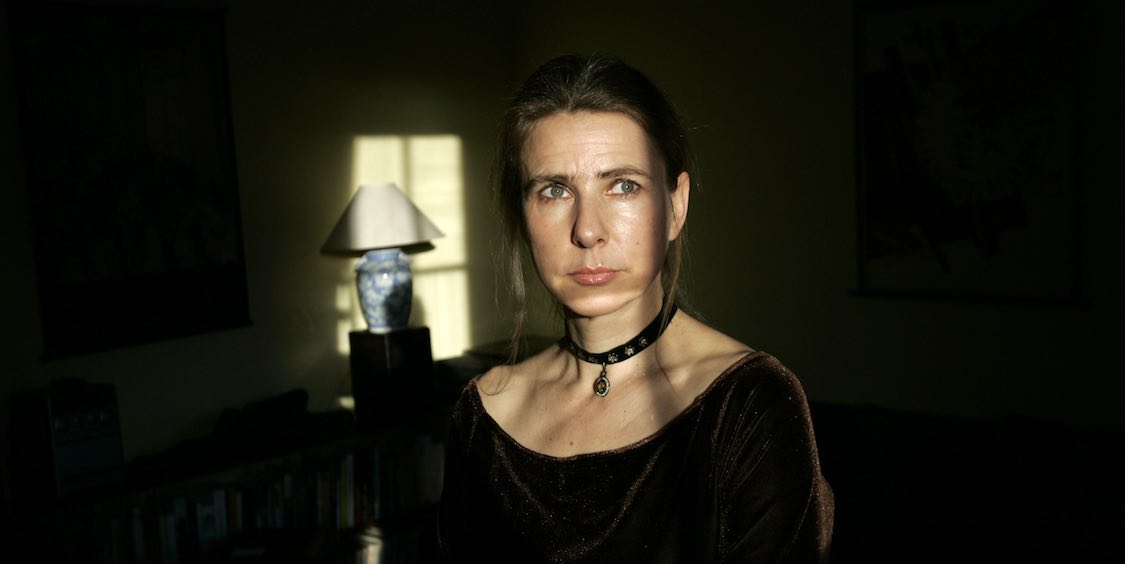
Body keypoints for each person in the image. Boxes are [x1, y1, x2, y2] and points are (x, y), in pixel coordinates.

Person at [437, 53, 833, 562]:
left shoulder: (749, 405)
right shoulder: (484, 412)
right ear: (523, 213)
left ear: (676, 205)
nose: (587, 230)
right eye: (554, 191)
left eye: (623, 185)